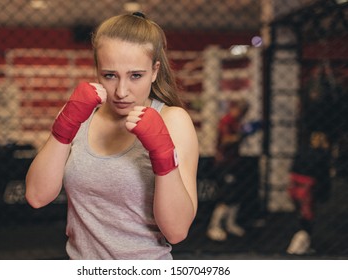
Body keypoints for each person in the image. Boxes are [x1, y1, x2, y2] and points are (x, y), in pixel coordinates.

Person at [25, 12, 199, 260]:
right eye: (110, 75)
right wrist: (64, 127)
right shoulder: (78, 114)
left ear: (154, 71)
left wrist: (163, 154)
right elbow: (36, 196)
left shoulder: (173, 121)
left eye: (135, 75)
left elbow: (177, 231)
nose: (121, 91)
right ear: (97, 70)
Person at [206, 99, 259, 241]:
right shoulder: (227, 121)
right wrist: (243, 133)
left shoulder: (236, 121)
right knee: (226, 195)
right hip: (224, 163)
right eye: (241, 110)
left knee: (236, 194)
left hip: (234, 161)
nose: (242, 114)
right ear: (234, 108)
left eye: (245, 112)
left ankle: (230, 223)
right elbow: (226, 140)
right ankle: (214, 226)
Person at [286, 131, 331, 255]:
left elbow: (293, 168)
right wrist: (324, 193)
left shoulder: (302, 152)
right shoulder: (322, 155)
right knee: (308, 215)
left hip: (296, 184)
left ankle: (302, 244)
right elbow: (323, 176)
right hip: (308, 187)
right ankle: (299, 244)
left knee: (300, 213)